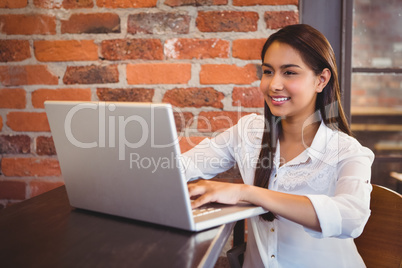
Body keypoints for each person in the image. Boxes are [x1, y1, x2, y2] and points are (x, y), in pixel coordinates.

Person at [182, 24, 374, 267]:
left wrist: (247, 192)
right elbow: (185, 166)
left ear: (321, 80)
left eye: (290, 72)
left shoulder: (348, 151)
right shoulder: (249, 132)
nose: (273, 85)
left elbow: (351, 218)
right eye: (268, 71)